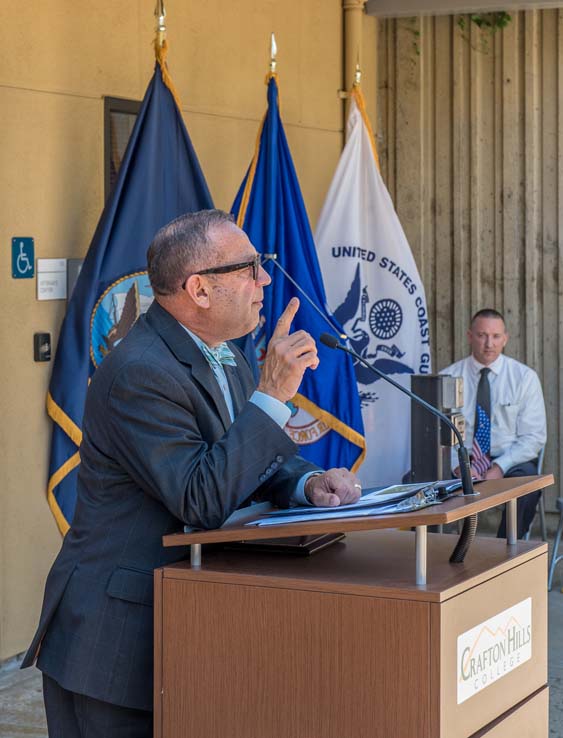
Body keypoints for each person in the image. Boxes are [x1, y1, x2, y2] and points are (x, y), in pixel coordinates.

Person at [23, 209, 362, 737]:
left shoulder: (228, 351)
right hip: (115, 644)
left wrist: (305, 481)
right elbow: (201, 496)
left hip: (188, 624)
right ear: (199, 290)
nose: (266, 280)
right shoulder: (140, 372)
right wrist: (272, 397)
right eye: (250, 268)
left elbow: (236, 455)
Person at [441, 308, 546, 539]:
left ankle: (505, 554)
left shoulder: (524, 378)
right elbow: (437, 435)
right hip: (462, 461)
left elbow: (534, 437)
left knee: (527, 487)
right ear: (470, 336)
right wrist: (454, 466)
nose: (489, 343)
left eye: (496, 336)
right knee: (414, 480)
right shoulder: (448, 378)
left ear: (505, 339)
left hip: (508, 460)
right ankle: (435, 550)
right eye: (481, 335)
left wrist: (499, 467)